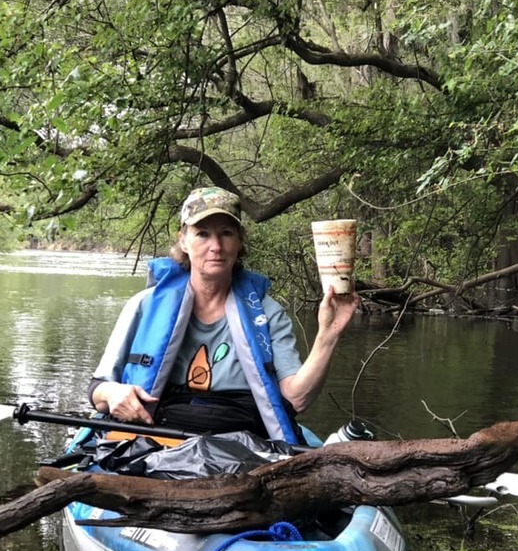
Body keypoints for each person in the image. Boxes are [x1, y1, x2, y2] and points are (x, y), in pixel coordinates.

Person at [88, 186, 360, 444]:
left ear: (240, 241)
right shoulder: (144, 306)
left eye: (226, 233)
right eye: (203, 234)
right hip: (156, 437)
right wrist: (113, 393)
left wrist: (328, 333)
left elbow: (296, 399)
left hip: (242, 443)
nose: (215, 246)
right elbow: (97, 390)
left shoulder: (268, 313)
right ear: (183, 240)